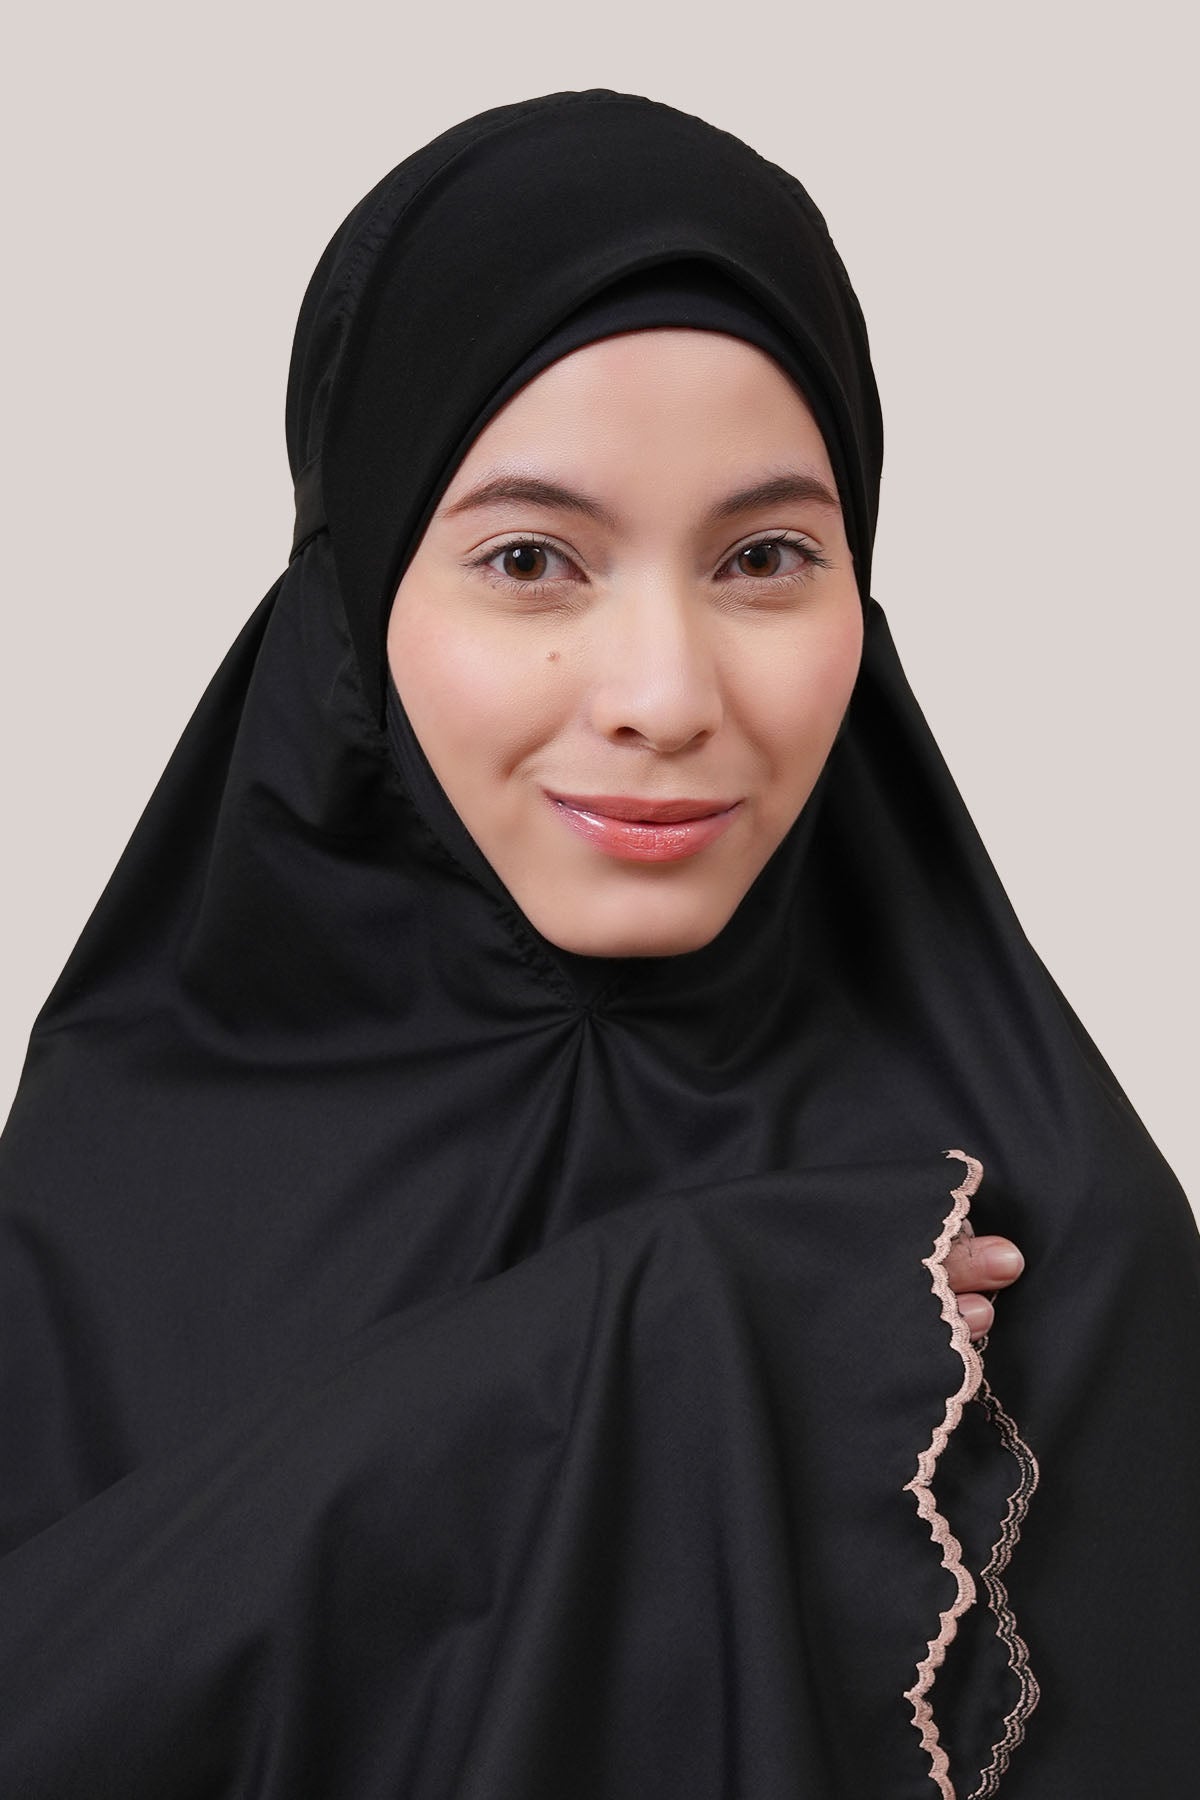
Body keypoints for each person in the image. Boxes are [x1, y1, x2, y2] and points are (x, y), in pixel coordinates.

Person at [0, 88, 1195, 1799]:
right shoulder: (126, 1176)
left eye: (766, 557)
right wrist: (677, 1334)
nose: (663, 694)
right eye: (531, 559)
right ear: (356, 595)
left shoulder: (1045, 1228)